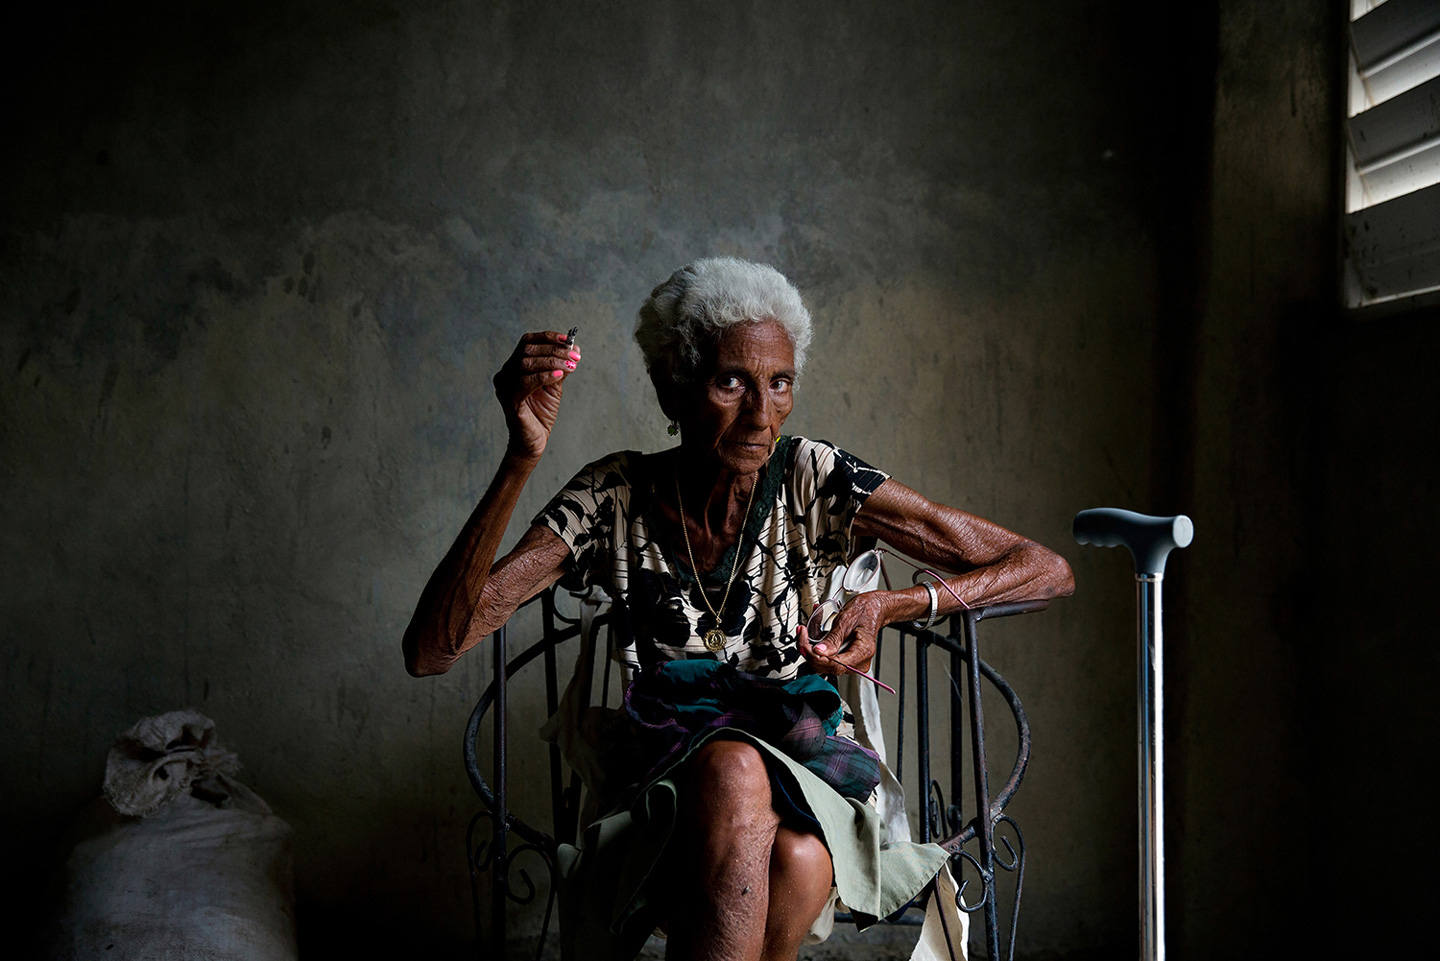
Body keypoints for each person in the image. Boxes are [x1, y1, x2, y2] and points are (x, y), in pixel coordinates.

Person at [403, 257, 1074, 961]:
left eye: (779, 383)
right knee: (749, 792)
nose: (762, 414)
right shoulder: (614, 494)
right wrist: (521, 456)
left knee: (795, 846)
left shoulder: (813, 477)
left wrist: (893, 602)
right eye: (731, 381)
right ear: (674, 389)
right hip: (662, 798)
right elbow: (432, 650)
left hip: (805, 780)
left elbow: (1045, 569)